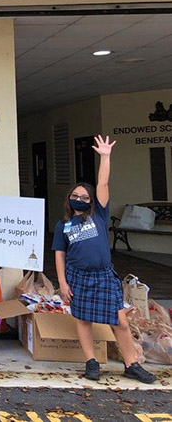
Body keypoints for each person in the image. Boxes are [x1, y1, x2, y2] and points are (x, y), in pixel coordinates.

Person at [53, 135, 156, 384]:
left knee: (120, 321)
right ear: (69, 199)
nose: (79, 198)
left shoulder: (98, 214)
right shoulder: (63, 225)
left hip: (103, 275)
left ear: (91, 202)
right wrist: (63, 283)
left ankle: (131, 364)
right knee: (83, 319)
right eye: (75, 195)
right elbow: (59, 254)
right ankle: (91, 362)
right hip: (78, 276)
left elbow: (103, 182)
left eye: (84, 197)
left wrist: (105, 156)